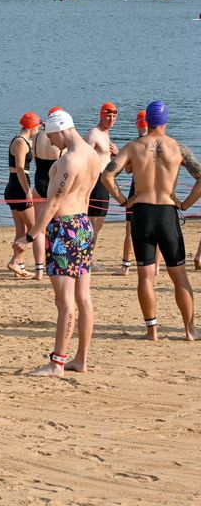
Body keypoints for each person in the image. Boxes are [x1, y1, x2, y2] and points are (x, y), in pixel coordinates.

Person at [102, 101, 199, 341]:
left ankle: (152, 331)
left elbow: (107, 175)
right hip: (167, 214)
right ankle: (189, 330)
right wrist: (185, 203)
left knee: (145, 276)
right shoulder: (178, 148)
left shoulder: (134, 147)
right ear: (165, 122)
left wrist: (124, 201)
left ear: (148, 122)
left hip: (142, 214)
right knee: (179, 276)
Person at [18, 110, 101, 376]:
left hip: (65, 229)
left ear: (61, 130)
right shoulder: (92, 155)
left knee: (65, 301)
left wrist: (30, 236)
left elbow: (53, 202)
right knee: (83, 298)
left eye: (52, 137)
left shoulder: (70, 161)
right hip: (83, 225)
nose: (52, 143)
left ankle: (57, 363)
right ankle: (82, 359)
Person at [4, 112, 41, 279]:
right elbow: (20, 168)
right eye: (38, 126)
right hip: (18, 187)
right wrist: (27, 191)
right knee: (35, 229)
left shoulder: (24, 140)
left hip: (15, 186)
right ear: (32, 127)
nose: (39, 129)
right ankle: (15, 260)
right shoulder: (20, 141)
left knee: (21, 229)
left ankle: (17, 265)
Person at [84, 102, 120, 261]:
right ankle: (86, 258)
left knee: (98, 223)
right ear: (101, 115)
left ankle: (87, 257)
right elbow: (84, 157)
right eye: (108, 116)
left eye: (113, 116)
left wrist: (116, 155)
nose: (111, 119)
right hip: (95, 181)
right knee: (93, 221)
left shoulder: (106, 133)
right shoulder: (94, 133)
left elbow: (104, 157)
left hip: (104, 181)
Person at [115, 109, 148, 276]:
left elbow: (128, 170)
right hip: (154, 191)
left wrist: (119, 155)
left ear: (137, 124)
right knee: (153, 231)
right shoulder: (160, 144)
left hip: (136, 191)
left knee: (130, 230)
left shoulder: (134, 145)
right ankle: (155, 267)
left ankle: (125, 266)